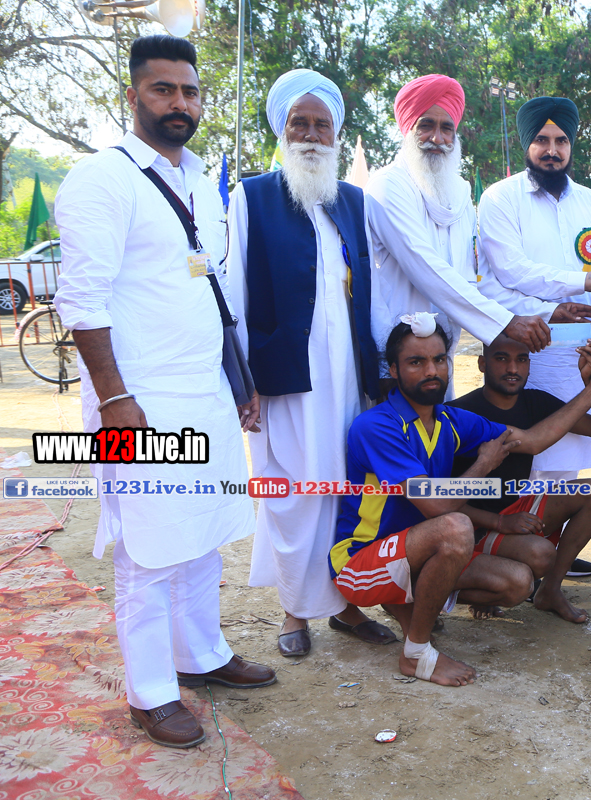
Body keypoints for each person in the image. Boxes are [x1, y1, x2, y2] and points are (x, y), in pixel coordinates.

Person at [54, 35, 274, 749]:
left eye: (190, 91)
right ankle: (150, 692)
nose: (180, 103)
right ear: (133, 96)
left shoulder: (200, 181)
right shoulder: (102, 179)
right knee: (147, 552)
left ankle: (201, 654)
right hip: (136, 402)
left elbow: (213, 292)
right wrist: (115, 400)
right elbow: (82, 301)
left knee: (202, 535)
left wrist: (237, 383)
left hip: (204, 393)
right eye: (163, 89)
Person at [329, 315, 591, 683]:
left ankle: (411, 603)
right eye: (416, 362)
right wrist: (483, 465)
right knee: (454, 526)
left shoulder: (450, 420)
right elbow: (436, 506)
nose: (431, 370)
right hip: (361, 562)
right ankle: (416, 653)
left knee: (518, 582)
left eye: (439, 359)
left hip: (417, 552)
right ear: (393, 369)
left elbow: (532, 440)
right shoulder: (377, 425)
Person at [225, 69, 395, 658]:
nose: (312, 134)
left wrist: (382, 368)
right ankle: (295, 611)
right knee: (294, 492)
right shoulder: (251, 197)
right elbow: (235, 294)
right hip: (284, 377)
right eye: (300, 123)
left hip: (347, 375)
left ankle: (346, 605)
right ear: (282, 130)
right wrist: (243, 381)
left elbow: (370, 292)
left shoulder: (353, 201)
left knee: (346, 488)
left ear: (337, 133)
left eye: (323, 124)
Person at [368, 75, 574, 395]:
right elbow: (427, 269)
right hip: (397, 356)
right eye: (426, 125)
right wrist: (506, 321)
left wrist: (545, 312)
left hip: (442, 354)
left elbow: (468, 279)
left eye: (447, 128)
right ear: (407, 128)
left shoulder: (459, 195)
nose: (437, 138)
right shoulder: (387, 187)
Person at [476, 96, 591, 481]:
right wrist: (575, 288)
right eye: (541, 140)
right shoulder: (500, 198)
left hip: (579, 356)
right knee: (523, 469)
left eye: (561, 141)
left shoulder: (590, 200)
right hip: (527, 352)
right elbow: (511, 272)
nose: (552, 151)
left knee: (566, 475)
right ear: (526, 144)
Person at [449, 334, 591, 622]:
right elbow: (442, 500)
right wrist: (499, 522)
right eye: (501, 359)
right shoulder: (461, 413)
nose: (512, 368)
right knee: (540, 555)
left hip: (514, 509)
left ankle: (550, 591)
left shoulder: (534, 401)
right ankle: (480, 582)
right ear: (481, 364)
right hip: (470, 523)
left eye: (521, 360)